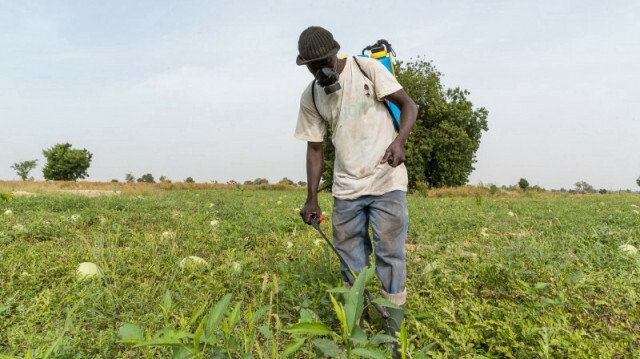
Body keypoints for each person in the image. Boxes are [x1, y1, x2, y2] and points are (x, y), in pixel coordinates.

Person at [294, 26, 417, 357]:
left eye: (326, 62)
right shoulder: (311, 96)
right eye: (313, 65)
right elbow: (315, 149)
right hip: (346, 188)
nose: (322, 70)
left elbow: (409, 106)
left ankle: (393, 336)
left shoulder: (367, 68)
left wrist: (399, 140)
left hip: (385, 180)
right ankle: (357, 332)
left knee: (390, 255)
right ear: (304, 65)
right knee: (350, 262)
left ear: (336, 53)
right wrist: (311, 197)